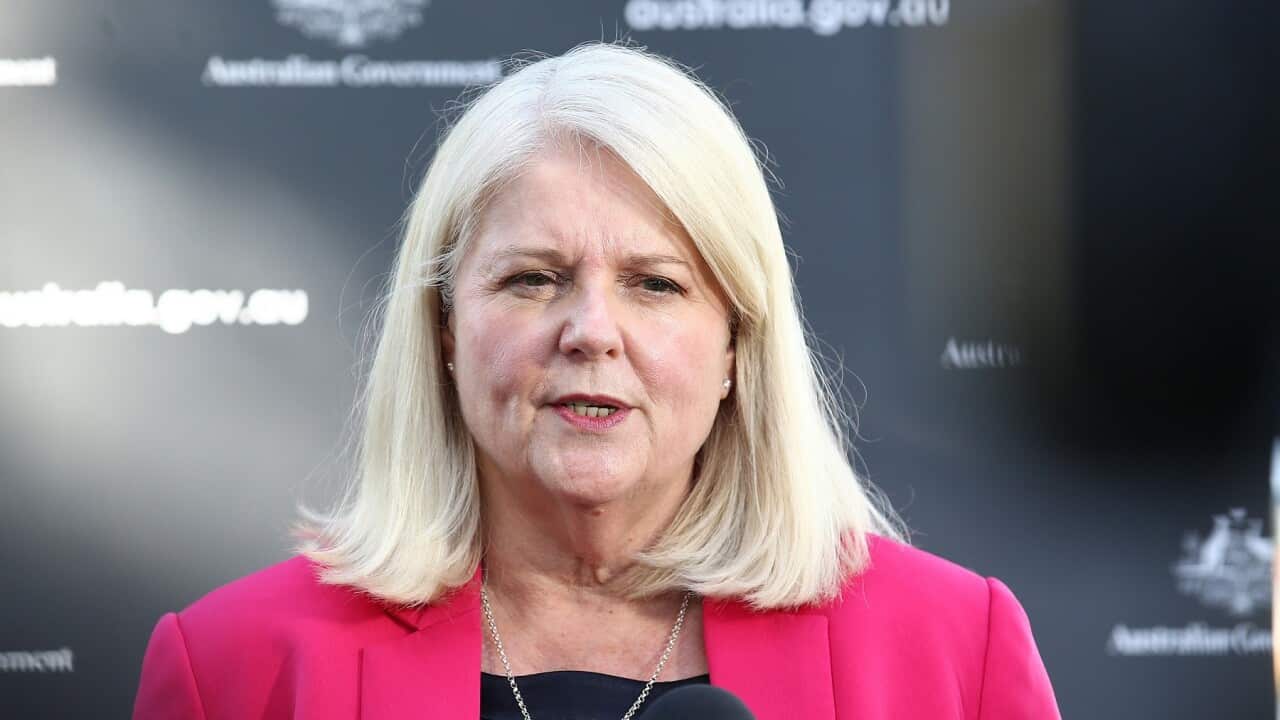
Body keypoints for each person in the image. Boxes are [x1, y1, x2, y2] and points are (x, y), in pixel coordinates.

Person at [132, 41, 1060, 719]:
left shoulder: (951, 651)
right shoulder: (235, 668)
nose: (590, 333)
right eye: (532, 279)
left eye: (655, 285)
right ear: (445, 327)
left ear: (738, 344)